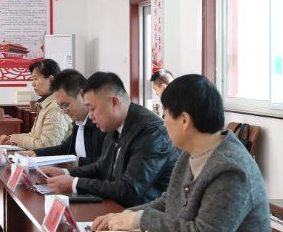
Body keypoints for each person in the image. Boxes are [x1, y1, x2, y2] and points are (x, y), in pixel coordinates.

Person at [92, 75, 278, 232]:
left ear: (184, 120)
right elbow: (169, 200)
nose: (163, 124)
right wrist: (127, 214)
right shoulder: (189, 154)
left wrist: (140, 220)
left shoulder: (231, 169)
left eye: (165, 116)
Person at [39, 71, 180, 208]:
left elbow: (130, 191)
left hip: (143, 214)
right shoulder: (115, 123)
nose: (90, 116)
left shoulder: (150, 132)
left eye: (92, 109)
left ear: (114, 103)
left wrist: (74, 184)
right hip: (116, 208)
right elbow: (102, 166)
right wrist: (65, 173)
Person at [15, 69, 106, 167]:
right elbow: (65, 148)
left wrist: (79, 163)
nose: (64, 111)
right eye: (61, 107)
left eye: (66, 105)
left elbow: (106, 163)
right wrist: (36, 153)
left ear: (82, 95)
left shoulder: (102, 125)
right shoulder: (79, 123)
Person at [0, 59, 71, 149]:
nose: (33, 84)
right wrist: (11, 138)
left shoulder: (55, 108)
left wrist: (18, 140)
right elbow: (34, 136)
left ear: (51, 80)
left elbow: (47, 146)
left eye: (35, 79)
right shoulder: (46, 105)